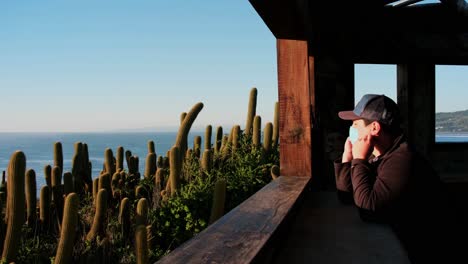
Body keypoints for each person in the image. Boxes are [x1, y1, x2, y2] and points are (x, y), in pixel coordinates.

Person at [334, 94, 464, 263]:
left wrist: (359, 160)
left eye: (355, 124)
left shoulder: (403, 159)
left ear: (374, 128)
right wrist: (347, 159)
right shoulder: (380, 156)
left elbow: (369, 210)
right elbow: (347, 197)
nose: (352, 130)